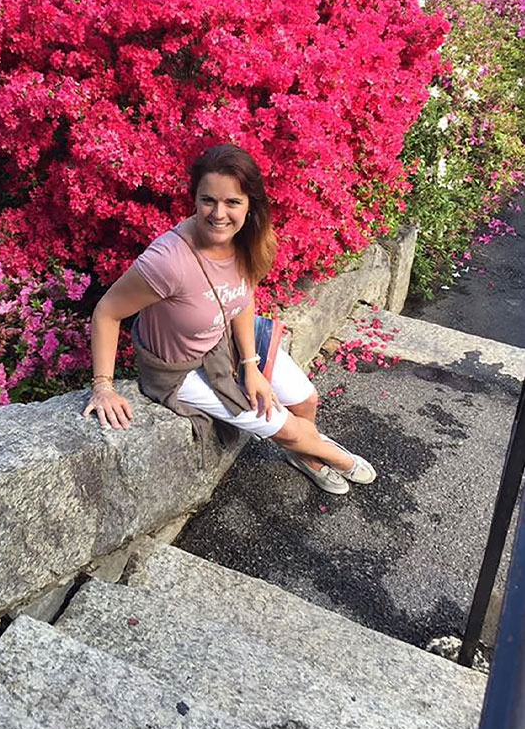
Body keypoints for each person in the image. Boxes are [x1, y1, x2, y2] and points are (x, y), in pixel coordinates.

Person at [82, 144, 376, 495]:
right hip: (181, 368)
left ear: (250, 204)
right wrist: (103, 387)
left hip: (226, 342)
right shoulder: (167, 261)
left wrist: (251, 365)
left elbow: (240, 299)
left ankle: (304, 456)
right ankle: (328, 453)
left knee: (306, 401)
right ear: (194, 199)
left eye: (232, 202)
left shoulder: (247, 241)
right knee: (288, 428)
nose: (218, 214)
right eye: (208, 200)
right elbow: (107, 312)